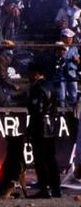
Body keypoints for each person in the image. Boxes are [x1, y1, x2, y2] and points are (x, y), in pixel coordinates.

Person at [25, 61, 61, 199]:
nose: (28, 75)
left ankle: (44, 190)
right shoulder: (50, 85)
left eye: (30, 73)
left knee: (40, 160)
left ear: (35, 73)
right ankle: (56, 189)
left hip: (40, 127)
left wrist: (30, 127)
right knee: (51, 159)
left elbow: (37, 109)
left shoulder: (37, 87)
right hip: (51, 126)